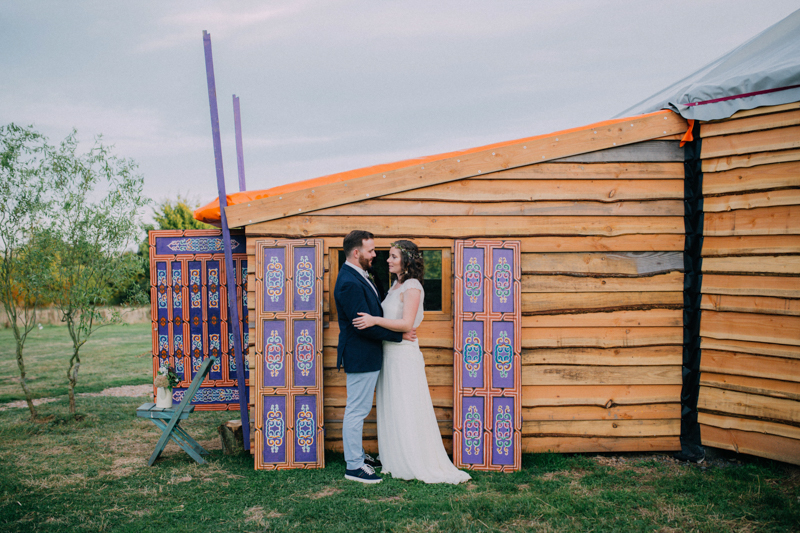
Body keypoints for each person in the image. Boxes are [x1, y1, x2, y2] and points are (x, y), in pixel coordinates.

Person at [353, 240, 471, 484]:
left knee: (407, 405)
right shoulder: (397, 285)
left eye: (394, 256)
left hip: (404, 355)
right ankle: (396, 457)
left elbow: (407, 324)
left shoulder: (413, 286)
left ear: (406, 260)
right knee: (393, 405)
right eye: (389, 256)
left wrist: (374, 320)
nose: (388, 259)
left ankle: (415, 459)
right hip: (390, 353)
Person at [333, 230, 416, 484]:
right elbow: (364, 324)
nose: (375, 255)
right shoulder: (348, 281)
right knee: (357, 410)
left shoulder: (362, 275)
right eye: (370, 250)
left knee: (360, 408)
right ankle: (354, 466)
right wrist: (401, 337)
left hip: (369, 354)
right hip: (360, 354)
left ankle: (358, 456)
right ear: (356, 252)